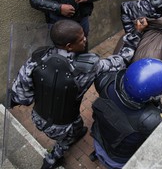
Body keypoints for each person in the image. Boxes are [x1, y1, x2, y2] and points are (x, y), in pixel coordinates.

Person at [9, 19, 147, 169]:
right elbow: (121, 59)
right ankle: (52, 158)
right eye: (81, 38)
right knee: (65, 141)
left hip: (38, 118)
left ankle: (77, 131)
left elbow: (21, 97)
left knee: (76, 124)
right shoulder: (89, 67)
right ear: (69, 46)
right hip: (62, 127)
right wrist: (137, 33)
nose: (85, 39)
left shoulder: (35, 59)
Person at [89, 58, 162, 168]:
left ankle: (97, 155)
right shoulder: (149, 119)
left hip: (98, 136)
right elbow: (161, 142)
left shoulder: (107, 81)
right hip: (117, 158)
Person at [28, 0, 105, 49]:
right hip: (59, 25)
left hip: (82, 21)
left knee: (82, 48)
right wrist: (59, 8)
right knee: (60, 54)